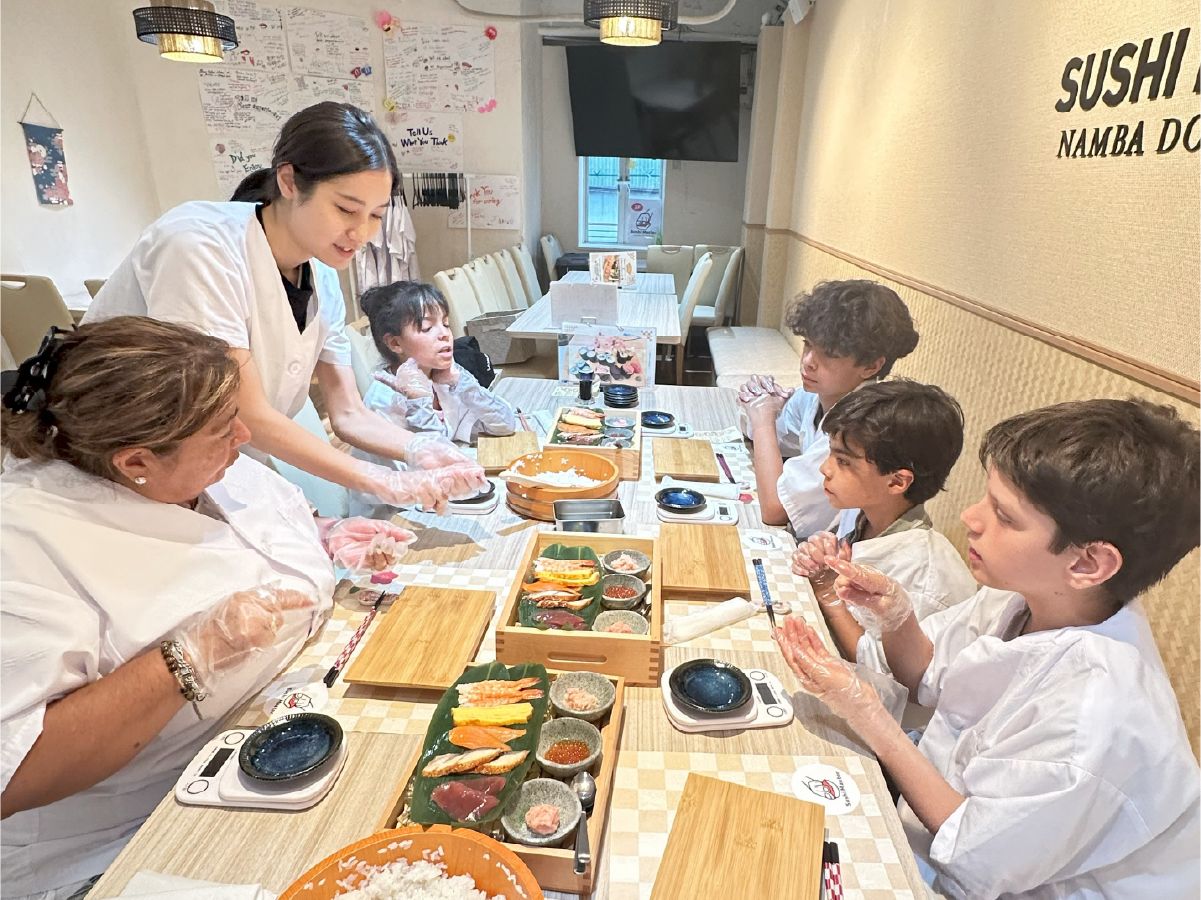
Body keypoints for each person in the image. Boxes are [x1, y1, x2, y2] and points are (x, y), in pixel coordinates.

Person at [0, 318, 413, 899]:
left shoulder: (201, 458)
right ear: (136, 463)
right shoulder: (24, 544)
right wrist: (189, 657)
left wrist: (325, 536)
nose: (244, 435)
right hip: (127, 838)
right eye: (223, 430)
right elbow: (16, 771)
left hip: (279, 729)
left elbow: (248, 532)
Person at [775, 399, 1200, 898]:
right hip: (929, 831)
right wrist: (897, 618)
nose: (970, 518)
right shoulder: (1024, 595)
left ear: (1088, 564)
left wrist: (871, 717)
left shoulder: (1096, 715)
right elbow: (928, 674)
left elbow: (974, 854)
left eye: (1004, 515)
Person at [83, 101, 485, 512]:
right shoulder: (198, 245)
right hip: (123, 470)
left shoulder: (321, 274)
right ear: (289, 181)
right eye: (346, 209)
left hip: (210, 467)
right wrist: (381, 480)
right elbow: (243, 412)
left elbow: (347, 412)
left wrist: (420, 447)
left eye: (375, 216)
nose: (361, 232)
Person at [788, 380, 977, 676]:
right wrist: (824, 564)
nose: (825, 468)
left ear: (896, 482)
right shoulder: (868, 516)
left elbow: (886, 676)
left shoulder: (923, 573)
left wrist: (828, 591)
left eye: (843, 461)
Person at [738, 280, 919, 536]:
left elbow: (775, 510)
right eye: (808, 344)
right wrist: (761, 403)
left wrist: (762, 420)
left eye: (830, 354)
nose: (808, 361)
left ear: (871, 366)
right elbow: (776, 438)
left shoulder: (861, 426)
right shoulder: (818, 394)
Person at [360, 281, 516, 443]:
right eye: (427, 327)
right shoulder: (384, 401)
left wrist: (464, 383)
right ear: (395, 343)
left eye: (445, 324)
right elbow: (431, 454)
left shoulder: (443, 376)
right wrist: (418, 401)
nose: (445, 334)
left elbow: (504, 425)